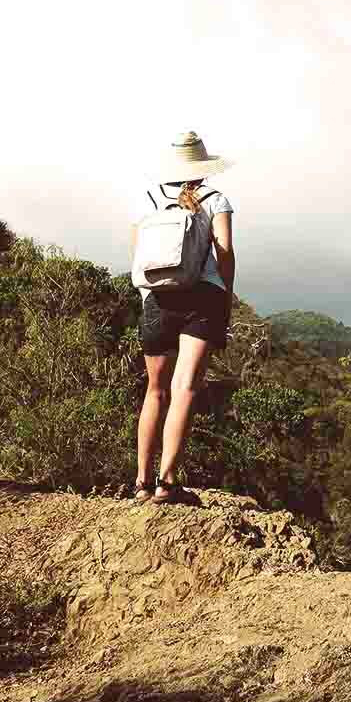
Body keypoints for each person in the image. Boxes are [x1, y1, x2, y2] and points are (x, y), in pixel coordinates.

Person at [130, 131, 235, 503]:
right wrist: (226, 297)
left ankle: (141, 482)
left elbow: (138, 256)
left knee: (154, 390)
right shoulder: (216, 200)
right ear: (203, 166)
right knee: (184, 388)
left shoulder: (148, 200)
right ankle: (167, 482)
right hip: (202, 298)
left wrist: (149, 299)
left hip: (157, 298)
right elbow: (224, 252)